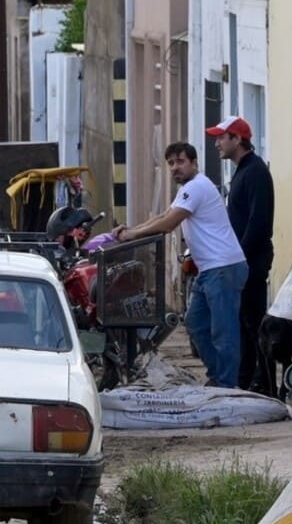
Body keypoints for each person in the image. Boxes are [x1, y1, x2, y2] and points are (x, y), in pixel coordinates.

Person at [115, 143, 248, 388]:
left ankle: (227, 385)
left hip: (223, 267)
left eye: (180, 161)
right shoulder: (188, 189)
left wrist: (132, 236)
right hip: (208, 270)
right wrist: (130, 231)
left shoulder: (197, 186)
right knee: (196, 324)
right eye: (171, 163)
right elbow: (162, 217)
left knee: (223, 332)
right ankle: (218, 376)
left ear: (194, 163)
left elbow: (168, 224)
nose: (175, 167)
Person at [208, 116, 276, 393]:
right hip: (242, 260)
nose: (217, 144)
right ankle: (247, 380)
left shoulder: (256, 172)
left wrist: (239, 258)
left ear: (237, 139)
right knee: (244, 324)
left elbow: (259, 223)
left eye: (222, 137)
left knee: (253, 325)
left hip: (251, 261)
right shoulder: (242, 171)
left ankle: (266, 383)